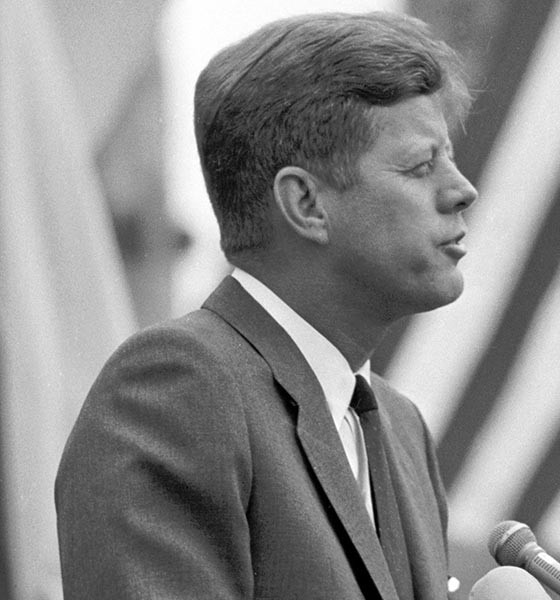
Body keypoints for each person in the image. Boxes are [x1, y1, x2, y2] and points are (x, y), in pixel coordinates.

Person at [55, 11, 477, 600]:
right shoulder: (180, 386)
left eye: (450, 160)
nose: (462, 190)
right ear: (305, 203)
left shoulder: (402, 428)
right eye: (420, 166)